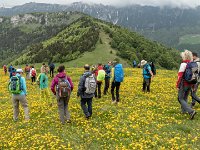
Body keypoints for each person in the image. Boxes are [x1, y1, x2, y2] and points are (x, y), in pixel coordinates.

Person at [176, 50, 196, 119]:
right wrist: (193, 86)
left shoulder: (183, 64)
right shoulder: (193, 64)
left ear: (184, 57)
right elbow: (194, 76)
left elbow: (180, 75)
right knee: (185, 98)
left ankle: (191, 111)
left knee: (180, 98)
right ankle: (183, 111)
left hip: (183, 83)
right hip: (190, 84)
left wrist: (177, 85)